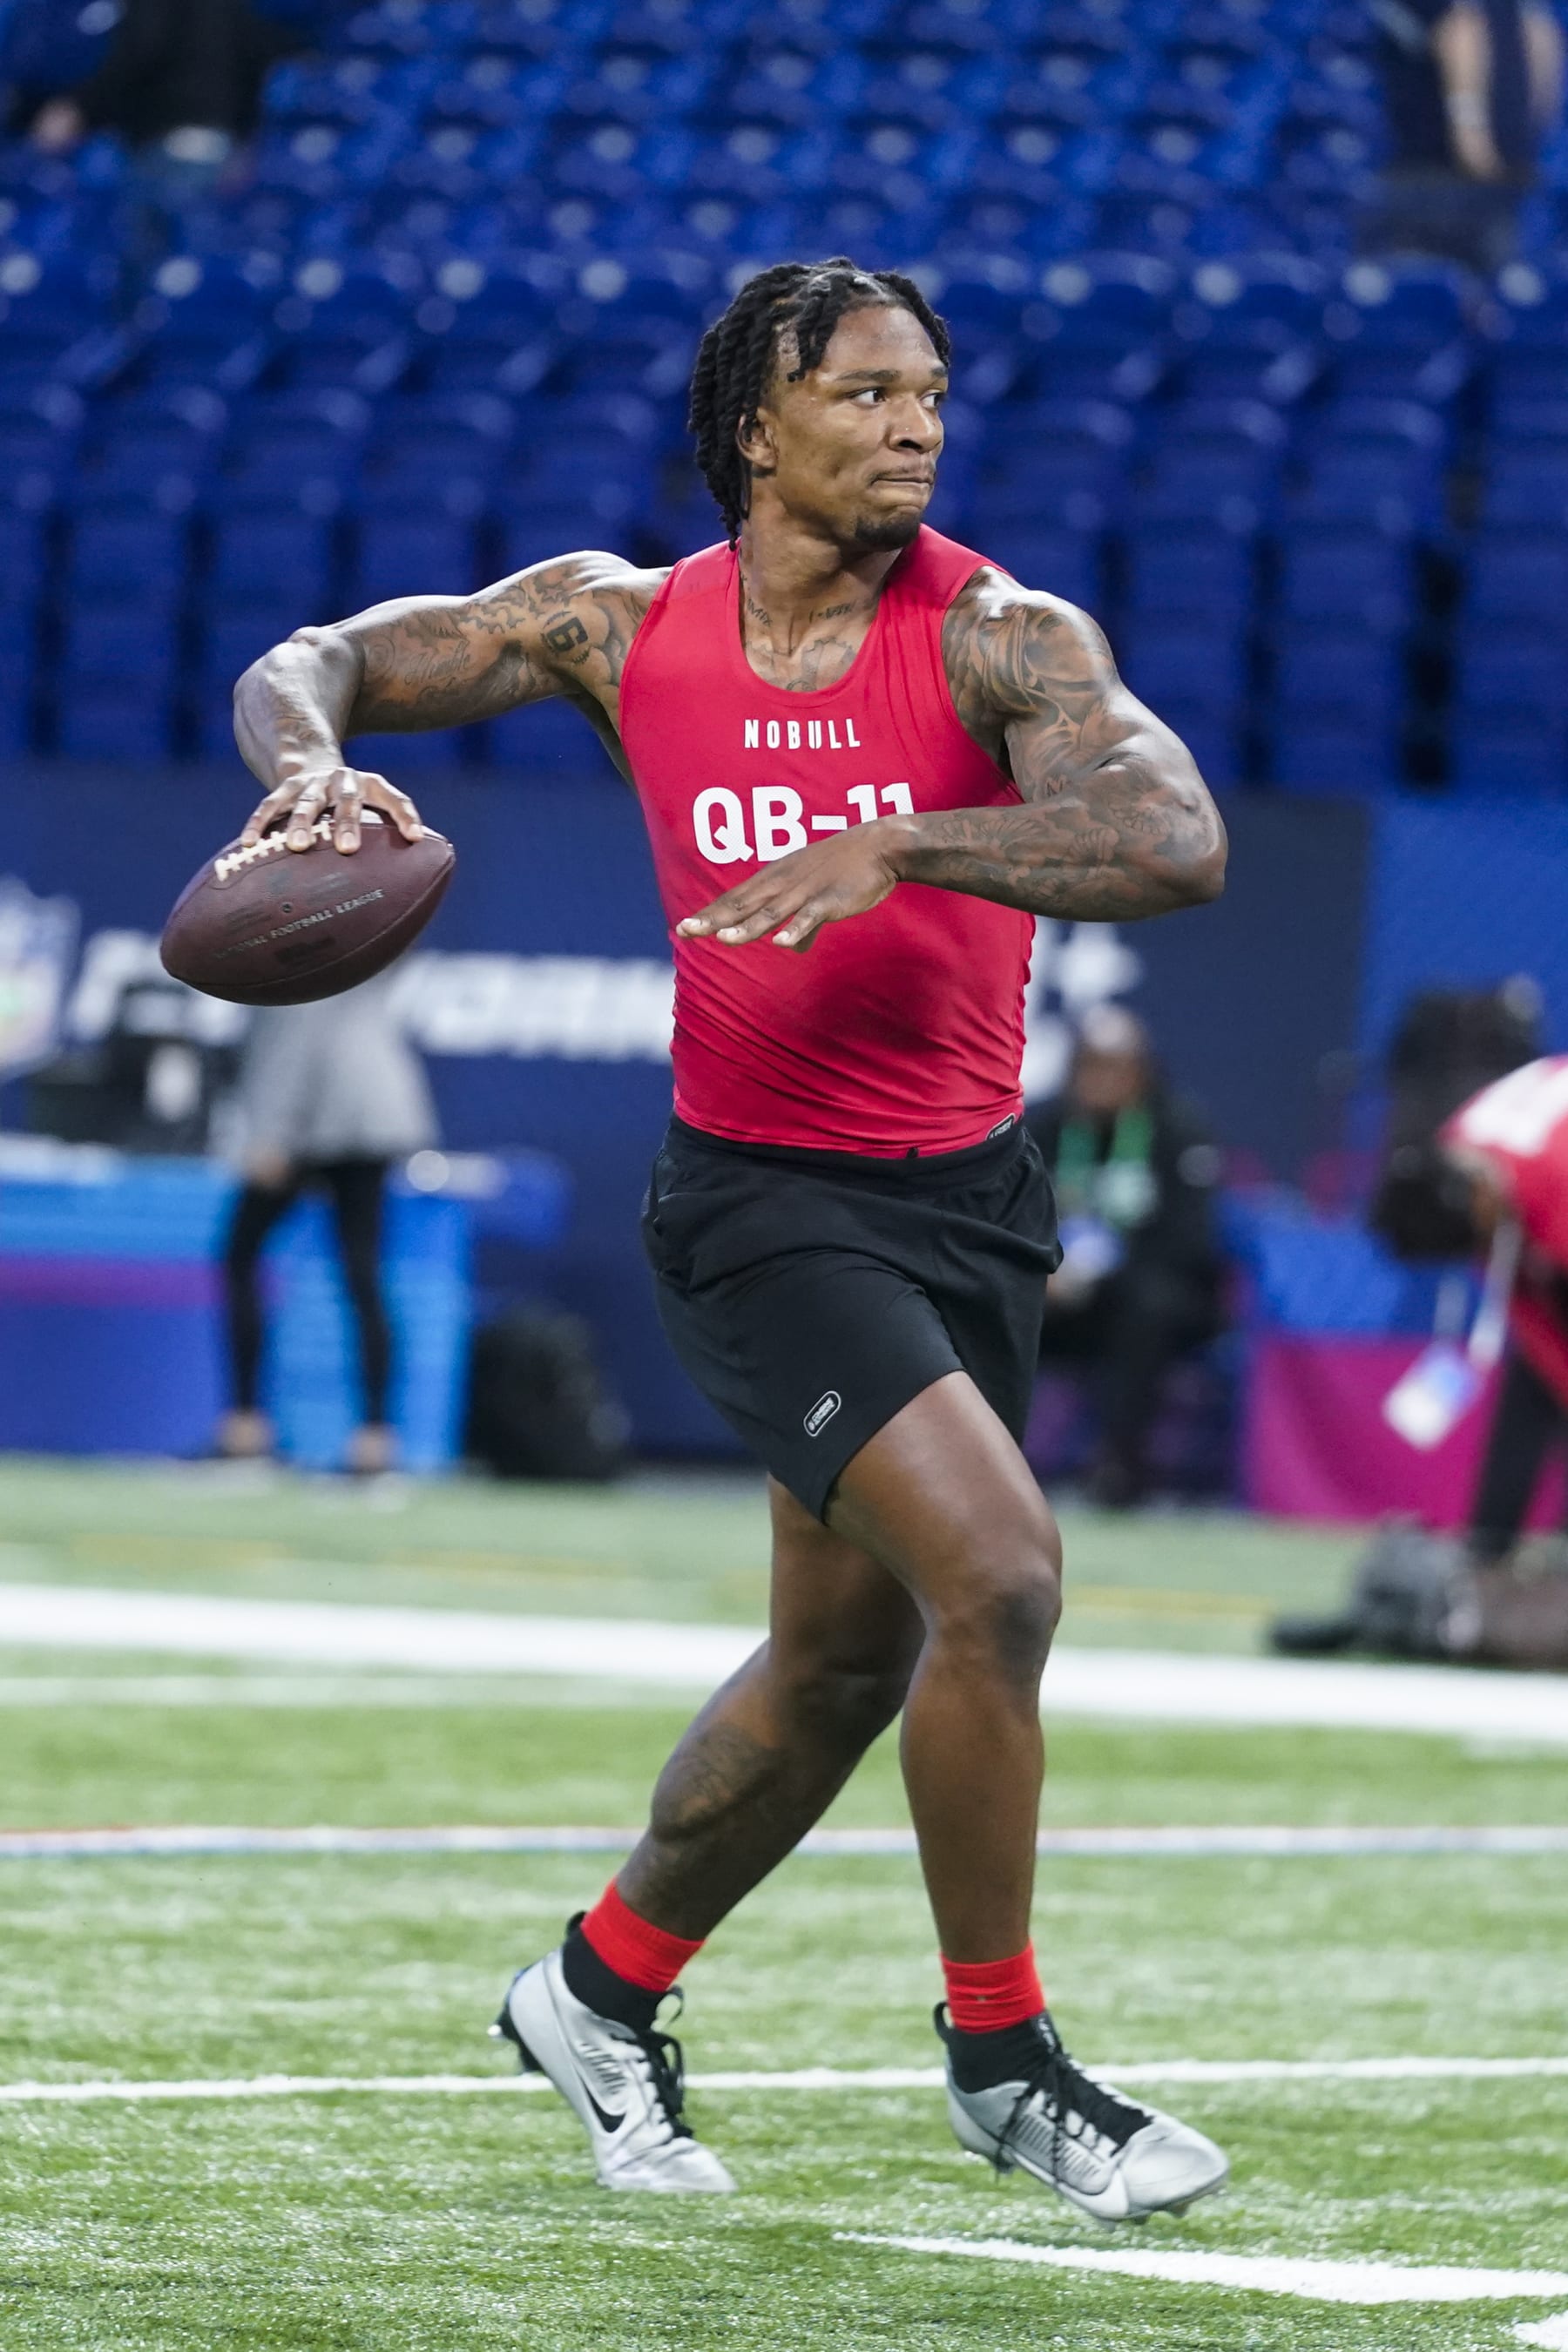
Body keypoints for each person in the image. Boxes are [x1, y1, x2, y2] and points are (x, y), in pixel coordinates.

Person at [230, 258, 1228, 2218]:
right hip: (762, 1207)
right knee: (1004, 1586)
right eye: (865, 394)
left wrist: (914, 840)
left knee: (836, 1669)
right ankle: (1005, 2058)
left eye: (932, 392)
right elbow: (317, 655)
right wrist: (307, 766)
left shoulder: (1001, 638)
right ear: (754, 427)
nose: (915, 426)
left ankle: (595, 1994)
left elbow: (1176, 840)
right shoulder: (622, 623)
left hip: (969, 1201)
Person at [216, 969, 437, 1477]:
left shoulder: (300, 928)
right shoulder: (359, 914)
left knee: (243, 1254)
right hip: (375, 1102)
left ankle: (246, 1429)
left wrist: (273, 1130)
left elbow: (300, 1031)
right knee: (361, 1271)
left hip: (328, 1109)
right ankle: (374, 1440)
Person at [1026, 1006, 1227, 1510]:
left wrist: (1105, 1272)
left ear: (1142, 1071)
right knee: (993, 1296)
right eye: (1091, 1066)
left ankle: (1118, 1467)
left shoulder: (1178, 1127)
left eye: (1116, 1067)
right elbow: (1006, 1217)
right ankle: (988, 1463)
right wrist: (1044, 1268)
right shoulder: (1044, 1126)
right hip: (1056, 1291)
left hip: (1147, 1295)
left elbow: (1192, 1241)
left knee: (1147, 1307)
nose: (1102, 1079)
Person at [28, 0, 299, 275]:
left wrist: (79, 108)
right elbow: (258, 61)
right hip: (213, 144)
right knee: (189, 265)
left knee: (153, 268)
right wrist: (244, 137)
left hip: (164, 145)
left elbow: (137, 55)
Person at [1442, 1057, 1568, 1561]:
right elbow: (1519, 1297)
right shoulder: (1459, 1150)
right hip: (1533, 1191)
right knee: (1535, 1375)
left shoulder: (1554, 1184)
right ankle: (1487, 1549)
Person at [1366, 0, 1565, 269]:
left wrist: (1472, 138)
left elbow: (1460, 32)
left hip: (1435, 168)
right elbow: (1541, 37)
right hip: (1504, 167)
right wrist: (1529, 134)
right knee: (1486, 291)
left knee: (1417, 291)